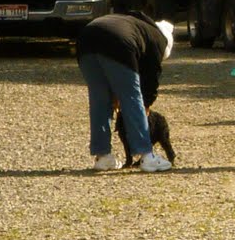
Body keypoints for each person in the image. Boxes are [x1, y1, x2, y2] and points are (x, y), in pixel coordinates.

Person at [75, 11, 175, 172]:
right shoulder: (158, 40)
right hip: (118, 43)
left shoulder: (136, 24)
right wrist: (146, 105)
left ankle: (103, 157)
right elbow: (150, 81)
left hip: (85, 39)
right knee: (132, 98)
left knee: (99, 99)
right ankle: (146, 156)